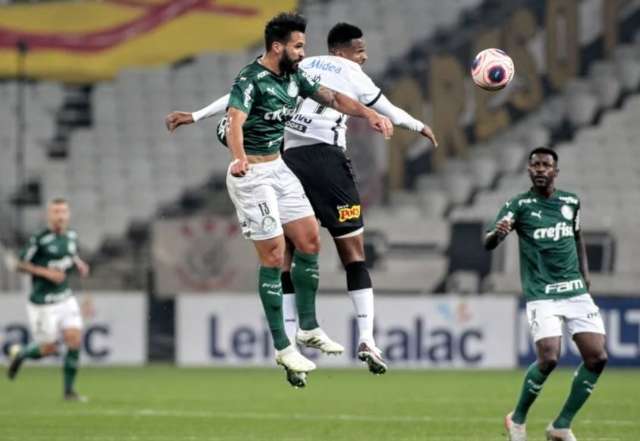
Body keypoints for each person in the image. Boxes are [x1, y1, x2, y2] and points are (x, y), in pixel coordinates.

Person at [165, 22, 436, 376]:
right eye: (360, 50)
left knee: (300, 247)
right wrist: (415, 125)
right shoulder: (340, 72)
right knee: (342, 254)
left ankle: (302, 334)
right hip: (312, 164)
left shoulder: (299, 70)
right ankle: (345, 339)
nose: (364, 57)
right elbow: (237, 113)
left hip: (286, 161)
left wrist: (197, 115)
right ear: (341, 52)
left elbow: (245, 98)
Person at [484, 147, 608, 441]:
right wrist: (498, 234)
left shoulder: (571, 202)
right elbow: (489, 243)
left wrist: (585, 275)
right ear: (529, 171)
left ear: (555, 171)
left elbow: (577, 238)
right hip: (542, 293)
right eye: (535, 165)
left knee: (597, 357)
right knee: (550, 357)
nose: (540, 169)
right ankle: (517, 419)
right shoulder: (518, 205)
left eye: (546, 165)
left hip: (575, 291)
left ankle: (561, 425)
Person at [7, 198, 91, 401]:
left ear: (68, 214)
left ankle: (69, 391)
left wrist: (78, 263)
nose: (60, 216)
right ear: (49, 215)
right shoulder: (39, 239)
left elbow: (70, 254)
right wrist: (45, 272)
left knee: (74, 339)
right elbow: (18, 264)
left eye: (63, 212)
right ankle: (21, 354)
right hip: (43, 302)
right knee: (48, 348)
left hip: (65, 297)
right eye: (56, 212)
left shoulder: (71, 235)